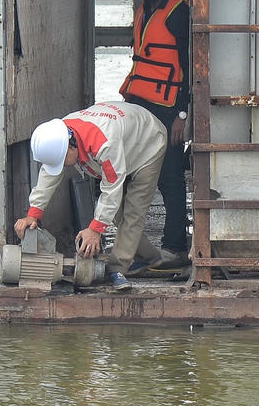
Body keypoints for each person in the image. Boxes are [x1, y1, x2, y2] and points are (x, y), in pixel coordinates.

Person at [14, 101, 173, 291]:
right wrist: (33, 214)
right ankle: (150, 258)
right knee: (115, 215)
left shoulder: (104, 144)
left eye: (62, 162)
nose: (63, 166)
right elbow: (49, 174)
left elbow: (112, 188)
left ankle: (117, 268)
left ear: (71, 148)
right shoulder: (60, 134)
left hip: (148, 141)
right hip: (125, 135)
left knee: (133, 211)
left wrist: (96, 230)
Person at [118, 0, 190, 262]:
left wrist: (182, 115)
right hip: (138, 104)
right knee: (130, 173)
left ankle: (175, 246)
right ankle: (132, 246)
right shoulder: (143, 9)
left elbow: (190, 67)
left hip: (168, 108)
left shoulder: (178, 12)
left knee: (171, 177)